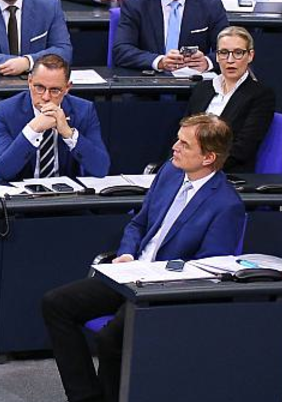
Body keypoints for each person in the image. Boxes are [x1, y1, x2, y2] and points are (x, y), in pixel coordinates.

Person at [42, 114, 244, 402]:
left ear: (209, 157)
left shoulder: (226, 205)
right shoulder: (170, 173)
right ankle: (86, 397)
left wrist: (153, 275)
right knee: (55, 304)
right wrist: (126, 253)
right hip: (130, 273)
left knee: (110, 339)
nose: (174, 147)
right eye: (178, 138)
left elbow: (206, 270)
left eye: (185, 144)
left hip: (161, 290)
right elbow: (138, 223)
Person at [0, 54, 109, 182]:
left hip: (63, 196)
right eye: (39, 88)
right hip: (17, 195)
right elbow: (4, 171)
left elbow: (101, 169)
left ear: (67, 88)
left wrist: (69, 134)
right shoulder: (4, 111)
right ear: (30, 82)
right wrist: (33, 129)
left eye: (54, 90)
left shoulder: (84, 111)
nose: (46, 97)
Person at [183, 26, 275, 173]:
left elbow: (242, 149)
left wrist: (200, 166)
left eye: (238, 53)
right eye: (224, 53)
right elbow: (184, 133)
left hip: (226, 172)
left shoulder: (261, 95)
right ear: (217, 56)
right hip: (190, 168)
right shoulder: (203, 88)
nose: (230, 60)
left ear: (250, 56)